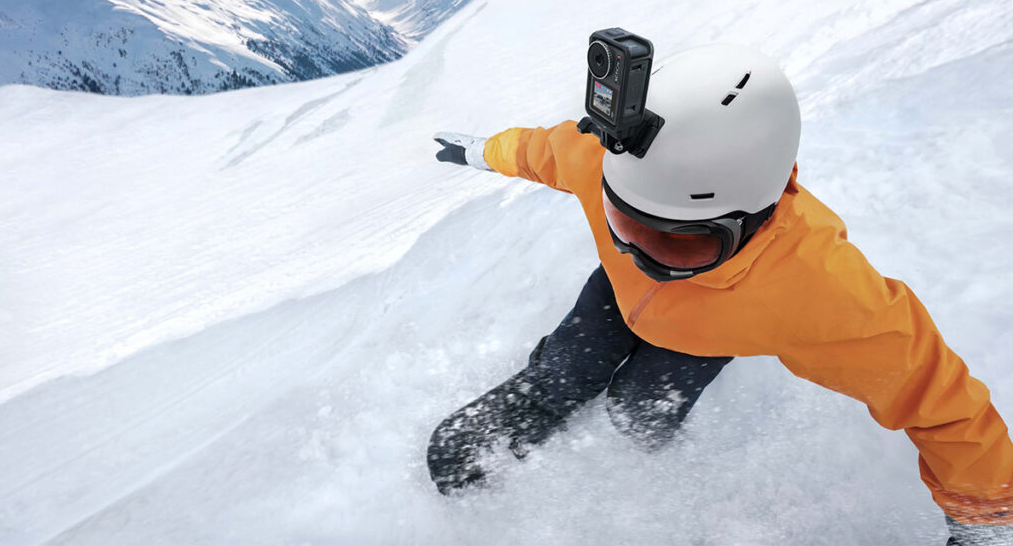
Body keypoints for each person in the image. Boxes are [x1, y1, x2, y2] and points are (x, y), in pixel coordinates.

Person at [426, 43, 1013, 545]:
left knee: (638, 416)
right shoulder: (604, 160)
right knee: (569, 366)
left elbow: (938, 402)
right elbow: (542, 151)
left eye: (678, 244)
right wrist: (483, 151)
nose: (645, 255)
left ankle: (612, 403)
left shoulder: (817, 287)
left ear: (758, 211)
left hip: (712, 331)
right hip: (615, 295)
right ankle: (557, 379)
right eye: (624, 222)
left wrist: (988, 520)